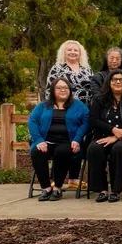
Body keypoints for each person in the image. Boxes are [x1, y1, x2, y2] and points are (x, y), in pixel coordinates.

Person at [28, 77, 89, 201]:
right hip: (46, 141)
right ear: (52, 90)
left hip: (68, 141)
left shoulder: (78, 105)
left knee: (62, 152)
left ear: (70, 90)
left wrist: (77, 139)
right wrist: (39, 140)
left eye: (66, 87)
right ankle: (46, 188)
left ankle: (57, 187)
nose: (63, 90)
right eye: (59, 87)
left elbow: (86, 122)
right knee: (37, 152)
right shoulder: (43, 105)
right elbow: (32, 121)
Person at [87, 70, 122, 203]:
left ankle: (116, 190)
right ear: (109, 82)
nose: (117, 82)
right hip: (104, 135)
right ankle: (102, 190)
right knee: (94, 148)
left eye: (121, 80)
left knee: (118, 149)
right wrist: (112, 130)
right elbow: (94, 120)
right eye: (114, 80)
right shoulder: (100, 99)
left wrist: (117, 136)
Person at [45, 40, 92, 189]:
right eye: (69, 50)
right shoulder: (57, 69)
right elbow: (49, 91)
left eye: (76, 50)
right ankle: (55, 178)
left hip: (84, 111)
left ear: (80, 53)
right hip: (64, 112)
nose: (73, 52)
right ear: (64, 52)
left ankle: (73, 178)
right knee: (62, 142)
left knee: (79, 141)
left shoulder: (86, 69)